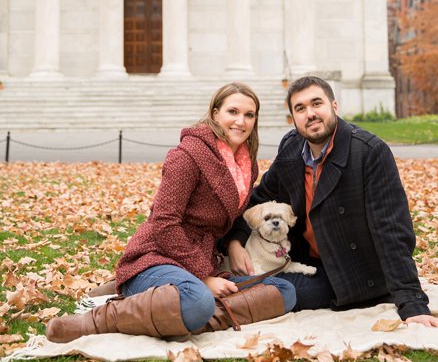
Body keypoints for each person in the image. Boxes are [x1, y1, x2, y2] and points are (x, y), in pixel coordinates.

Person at [46, 83, 296, 343]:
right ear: (214, 114)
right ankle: (98, 319)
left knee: (283, 291)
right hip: (158, 256)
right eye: (232, 111)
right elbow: (164, 223)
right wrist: (203, 277)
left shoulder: (245, 165)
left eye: (249, 115)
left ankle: (166, 309)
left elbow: (229, 219)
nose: (241, 121)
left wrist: (233, 243)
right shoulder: (186, 155)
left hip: (201, 260)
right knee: (197, 301)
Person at [224, 75, 438, 327]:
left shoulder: (369, 152)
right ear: (293, 118)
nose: (310, 114)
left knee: (278, 290)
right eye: (300, 108)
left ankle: (209, 312)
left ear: (334, 106)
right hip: (306, 261)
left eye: (317, 104)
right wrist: (234, 241)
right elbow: (259, 198)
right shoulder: (292, 148)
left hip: (353, 272)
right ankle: (201, 298)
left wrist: (412, 302)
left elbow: (391, 230)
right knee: (257, 279)